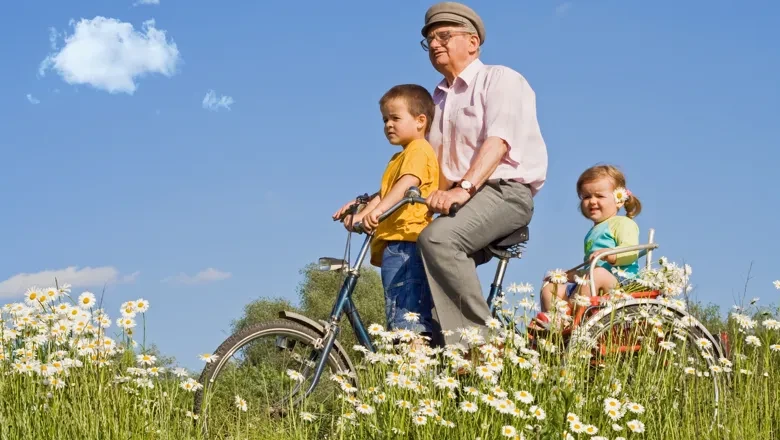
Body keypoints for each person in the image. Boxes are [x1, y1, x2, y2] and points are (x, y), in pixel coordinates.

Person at [415, 2, 548, 346]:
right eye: (429, 39)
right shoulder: (436, 99)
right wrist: (376, 203)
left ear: (472, 42)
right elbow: (424, 163)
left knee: (439, 240)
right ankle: (434, 357)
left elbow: (499, 141)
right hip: (461, 199)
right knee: (412, 256)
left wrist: (464, 187)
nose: (434, 44)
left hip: (504, 192)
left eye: (444, 36)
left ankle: (480, 348)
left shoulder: (500, 79)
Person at [332, 84, 440, 338]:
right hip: (394, 244)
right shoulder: (397, 158)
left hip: (407, 243)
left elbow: (406, 184)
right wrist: (360, 212)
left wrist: (377, 211)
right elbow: (385, 192)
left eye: (395, 118)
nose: (388, 125)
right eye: (385, 120)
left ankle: (415, 368)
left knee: (406, 318)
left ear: (420, 121)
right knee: (396, 314)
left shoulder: (419, 150)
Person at [534, 164, 643, 330]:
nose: (592, 201)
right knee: (552, 284)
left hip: (620, 283)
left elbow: (631, 253)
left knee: (596, 274)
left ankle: (572, 318)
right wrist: (567, 275)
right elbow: (589, 269)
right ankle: (557, 319)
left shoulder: (623, 223)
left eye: (599, 196)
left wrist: (610, 254)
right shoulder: (593, 232)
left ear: (619, 199)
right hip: (592, 283)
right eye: (586, 197)